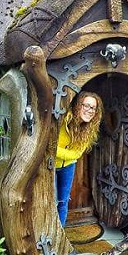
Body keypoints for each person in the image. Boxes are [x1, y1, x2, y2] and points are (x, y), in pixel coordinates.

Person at [55, 91, 103, 226]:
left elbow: (76, 154)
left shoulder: (89, 129)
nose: (89, 110)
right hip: (50, 164)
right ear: (78, 105)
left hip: (68, 166)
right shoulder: (64, 118)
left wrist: (56, 151)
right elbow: (49, 145)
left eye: (93, 108)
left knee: (63, 202)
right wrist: (54, 151)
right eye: (86, 105)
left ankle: (60, 236)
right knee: (51, 201)